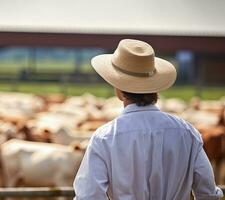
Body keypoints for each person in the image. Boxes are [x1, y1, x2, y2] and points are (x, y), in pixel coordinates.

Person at [73, 39, 223, 200]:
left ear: (118, 87)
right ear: (155, 85)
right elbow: (207, 193)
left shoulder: (105, 138)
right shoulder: (187, 133)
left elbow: (89, 196)